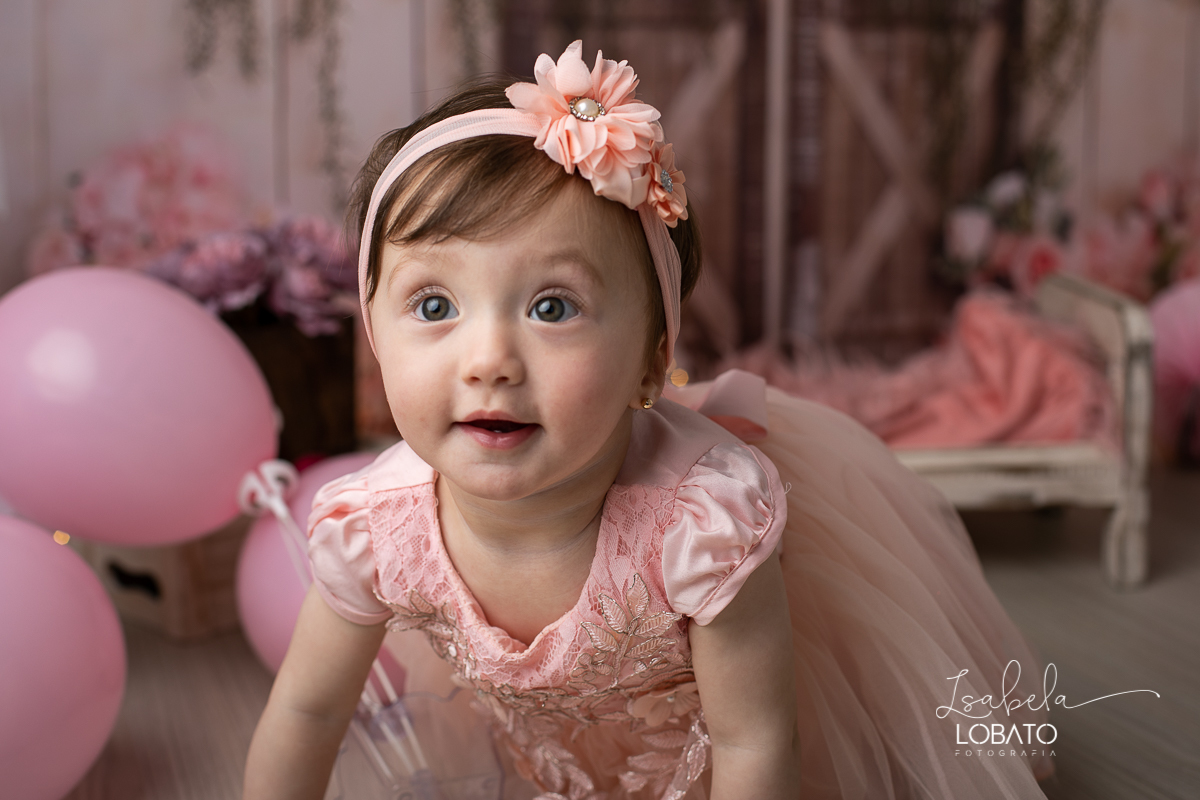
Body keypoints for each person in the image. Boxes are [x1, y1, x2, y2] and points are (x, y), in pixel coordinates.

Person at [244, 41, 1054, 800]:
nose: (488, 361)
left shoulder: (697, 527)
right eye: (434, 306)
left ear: (650, 361)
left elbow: (755, 741)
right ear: (374, 339)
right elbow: (308, 711)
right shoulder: (376, 527)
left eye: (552, 307)